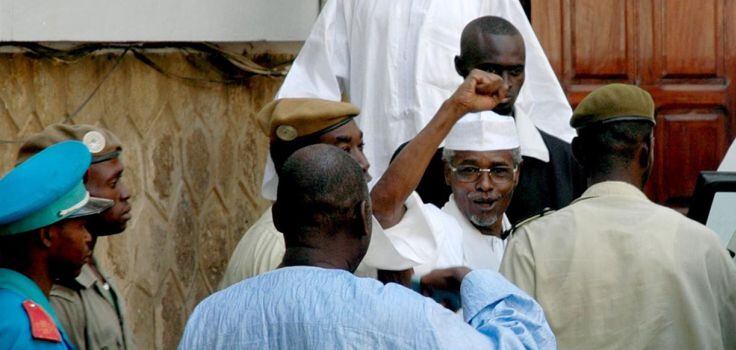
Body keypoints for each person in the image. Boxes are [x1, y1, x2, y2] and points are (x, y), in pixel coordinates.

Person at [179, 144, 556, 350]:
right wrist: (474, 283)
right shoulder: (405, 317)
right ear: (364, 218)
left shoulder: (209, 319)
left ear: (278, 219)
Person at [500, 84, 736, 349]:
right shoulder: (702, 245)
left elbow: (505, 340)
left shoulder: (530, 245)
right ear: (646, 153)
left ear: (579, 154)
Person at [261, 0, 575, 203]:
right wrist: (297, 186)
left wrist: (569, 176)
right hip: (375, 179)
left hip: (457, 187)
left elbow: (529, 86)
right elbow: (310, 90)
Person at [219, 98, 462, 289]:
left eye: (361, 147)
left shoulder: (318, 237)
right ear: (305, 161)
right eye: (345, 150)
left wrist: (419, 289)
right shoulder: (281, 245)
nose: (364, 162)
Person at [406, 16, 585, 225]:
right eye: (491, 70)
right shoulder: (419, 160)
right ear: (460, 66)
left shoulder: (564, 162)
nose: (505, 84)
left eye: (516, 71)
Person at [371, 68, 521, 273]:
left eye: (498, 171)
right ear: (448, 174)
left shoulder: (525, 241)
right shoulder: (435, 230)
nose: (485, 185)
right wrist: (455, 108)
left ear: (516, 174)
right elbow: (381, 211)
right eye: (469, 170)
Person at [16, 124, 136, 350]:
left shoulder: (89, 270)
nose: (125, 193)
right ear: (74, 192)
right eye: (113, 183)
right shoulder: (56, 295)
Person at [0, 141, 114, 349]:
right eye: (81, 226)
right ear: (47, 235)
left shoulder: (9, 308)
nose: (88, 237)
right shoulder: (30, 333)